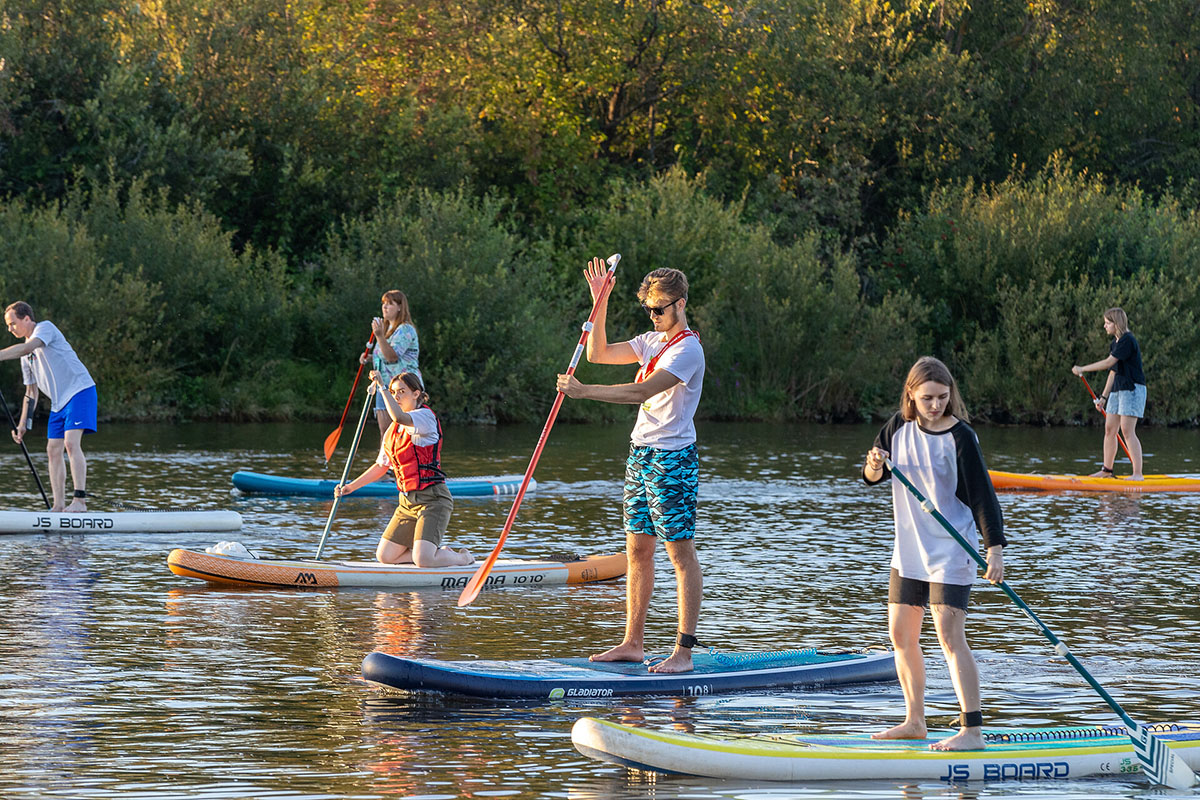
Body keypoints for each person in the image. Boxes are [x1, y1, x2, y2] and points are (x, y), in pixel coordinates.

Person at [556, 258, 705, 674]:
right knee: (637, 549)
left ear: (680, 303)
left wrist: (584, 393)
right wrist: (598, 300)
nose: (654, 316)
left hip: (673, 459)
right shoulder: (651, 340)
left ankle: (683, 652)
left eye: (659, 309)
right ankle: (632, 643)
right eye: (649, 310)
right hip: (640, 454)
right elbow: (598, 352)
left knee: (679, 554)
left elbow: (641, 391)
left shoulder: (688, 349)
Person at [862, 356, 1006, 751]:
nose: (935, 405)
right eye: (927, 398)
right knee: (900, 635)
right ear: (911, 394)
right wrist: (874, 464)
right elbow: (872, 477)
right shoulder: (897, 428)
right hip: (908, 550)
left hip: (952, 549)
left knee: (949, 636)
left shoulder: (961, 436)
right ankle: (915, 721)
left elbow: (983, 497)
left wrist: (994, 550)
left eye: (943, 397)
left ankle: (971, 731)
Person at [334, 370, 472, 567]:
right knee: (385, 556)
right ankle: (434, 554)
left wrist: (382, 388)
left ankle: (462, 558)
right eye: (393, 392)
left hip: (433, 500)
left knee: (423, 560)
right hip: (406, 504)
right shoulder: (392, 431)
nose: (396, 396)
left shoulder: (424, 417)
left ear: (416, 394)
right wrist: (350, 487)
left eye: (401, 392)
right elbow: (381, 466)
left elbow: (398, 417)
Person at [1, 301, 98, 513]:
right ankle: (58, 506)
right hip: (58, 403)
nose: (10, 329)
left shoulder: (45, 328)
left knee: (71, 443)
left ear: (27, 318)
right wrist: (23, 424)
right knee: (52, 450)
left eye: (12, 323)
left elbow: (27, 347)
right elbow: (31, 392)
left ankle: (80, 502)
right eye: (8, 325)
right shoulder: (25, 357)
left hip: (80, 391)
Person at [1071, 307, 1145, 480]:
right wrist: (1103, 397)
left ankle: (1137, 474)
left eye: (1107, 323)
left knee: (1127, 431)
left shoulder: (1127, 340)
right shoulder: (1116, 343)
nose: (1104, 326)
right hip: (1118, 390)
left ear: (1116, 323)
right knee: (1110, 429)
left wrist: (1083, 369)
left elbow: (1108, 362)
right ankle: (1107, 471)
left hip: (1132, 389)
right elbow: (1113, 371)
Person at [360, 290, 421, 440]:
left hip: (403, 388)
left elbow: (392, 357)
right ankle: (385, 463)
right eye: (383, 304)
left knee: (400, 434)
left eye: (390, 304)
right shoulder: (387, 330)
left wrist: (379, 336)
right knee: (385, 433)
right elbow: (384, 355)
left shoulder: (405, 329)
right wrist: (368, 358)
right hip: (384, 386)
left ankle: (400, 462)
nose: (385, 307)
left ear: (400, 307)